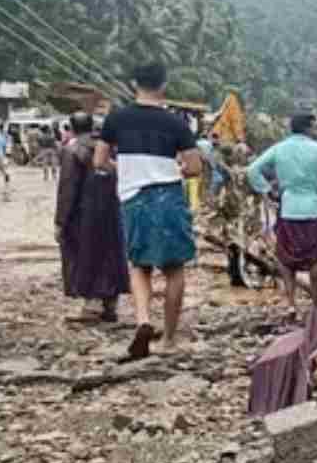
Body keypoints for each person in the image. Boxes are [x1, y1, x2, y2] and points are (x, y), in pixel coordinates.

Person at [95, 62, 205, 359]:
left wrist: (126, 169)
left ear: (134, 84)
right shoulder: (176, 123)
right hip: (168, 195)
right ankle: (168, 338)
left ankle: (144, 320)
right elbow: (194, 167)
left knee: (139, 265)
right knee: (174, 268)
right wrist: (176, 168)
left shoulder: (116, 119)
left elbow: (99, 161)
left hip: (134, 197)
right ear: (164, 85)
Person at [246, 114, 317, 315]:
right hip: (315, 207)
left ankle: (291, 302)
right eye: (316, 127)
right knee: (315, 258)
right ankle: (316, 304)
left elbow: (252, 170)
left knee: (286, 257)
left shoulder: (279, 149)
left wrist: (267, 191)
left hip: (289, 207)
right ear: (308, 128)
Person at [56, 112, 130, 323]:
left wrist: (61, 221)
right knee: (111, 252)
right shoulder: (107, 147)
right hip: (111, 209)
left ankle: (92, 304)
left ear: (71, 128)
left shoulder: (72, 150)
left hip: (83, 213)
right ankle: (110, 304)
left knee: (84, 254)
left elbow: (67, 188)